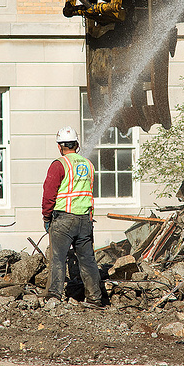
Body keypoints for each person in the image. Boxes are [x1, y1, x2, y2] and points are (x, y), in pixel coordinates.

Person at [42, 126, 102, 308]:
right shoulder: (88, 165)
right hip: (85, 219)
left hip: (64, 219)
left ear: (59, 147)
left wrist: (46, 217)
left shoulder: (59, 165)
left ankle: (54, 296)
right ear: (77, 144)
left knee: (58, 258)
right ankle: (95, 298)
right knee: (88, 259)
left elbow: (49, 194)